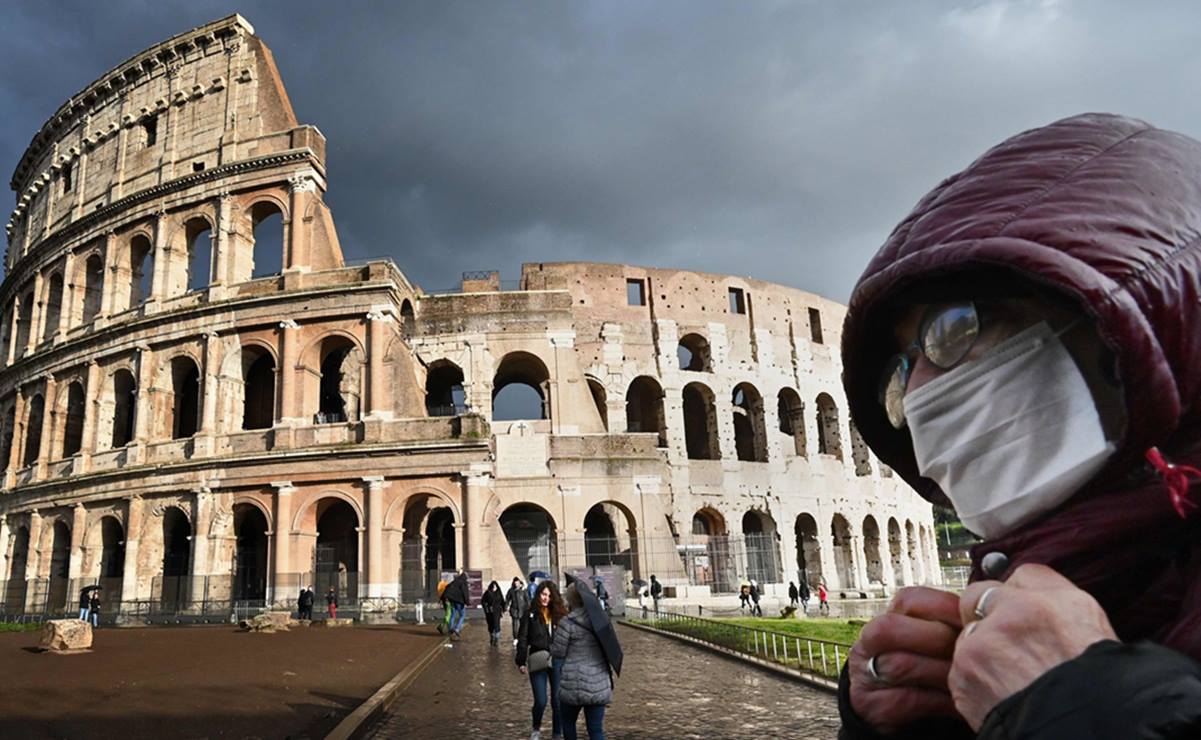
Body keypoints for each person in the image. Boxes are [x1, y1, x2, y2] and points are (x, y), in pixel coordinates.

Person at [836, 113, 1201, 738]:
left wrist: (1081, 710)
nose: (920, 392)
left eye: (953, 327)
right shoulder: (1015, 600)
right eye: (899, 370)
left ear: (1129, 323)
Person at [552, 583, 615, 740]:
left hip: (572, 683)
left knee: (568, 724)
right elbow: (610, 647)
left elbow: (558, 652)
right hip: (598, 683)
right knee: (596, 730)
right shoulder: (601, 621)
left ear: (570, 600)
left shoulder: (567, 623)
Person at [517, 580, 567, 740]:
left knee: (557, 701)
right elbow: (523, 638)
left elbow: (567, 637)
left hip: (557, 660)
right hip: (538, 658)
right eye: (544, 594)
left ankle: (557, 733)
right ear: (538, 594)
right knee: (541, 700)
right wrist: (520, 660)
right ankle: (536, 727)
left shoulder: (559, 614)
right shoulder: (530, 614)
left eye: (549, 596)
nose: (546, 598)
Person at [442, 571, 470, 638]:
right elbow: (465, 593)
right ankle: (457, 629)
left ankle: (451, 629)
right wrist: (467, 602)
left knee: (453, 614)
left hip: (452, 601)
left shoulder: (455, 581)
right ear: (465, 577)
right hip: (460, 602)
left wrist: (447, 597)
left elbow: (447, 587)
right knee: (462, 615)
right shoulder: (463, 583)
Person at [506, 577, 530, 646]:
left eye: (517, 583)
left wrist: (529, 609)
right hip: (514, 611)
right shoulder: (511, 591)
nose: (516, 584)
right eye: (515, 583)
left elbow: (527, 600)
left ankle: (523, 638)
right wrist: (506, 607)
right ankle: (516, 638)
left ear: (520, 583)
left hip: (523, 610)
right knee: (515, 626)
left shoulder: (524, 591)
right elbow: (507, 599)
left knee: (523, 625)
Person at [482, 580, 506, 646]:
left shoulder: (499, 592)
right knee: (490, 625)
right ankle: (492, 637)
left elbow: (502, 601)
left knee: (497, 625)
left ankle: (497, 639)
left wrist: (504, 609)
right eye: (493, 587)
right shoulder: (487, 592)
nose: (494, 588)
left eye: (495, 587)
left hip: (497, 611)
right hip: (489, 612)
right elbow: (483, 601)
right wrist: (486, 609)